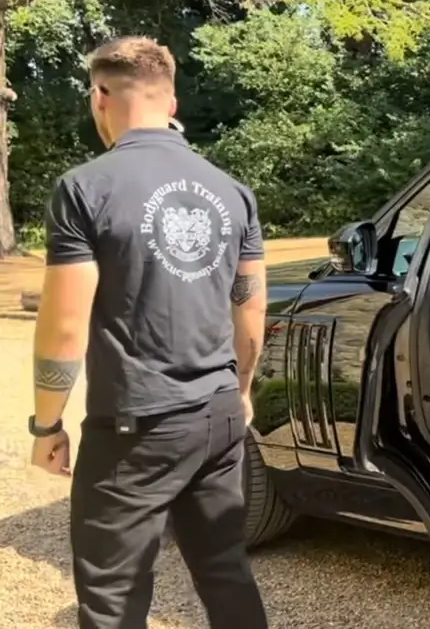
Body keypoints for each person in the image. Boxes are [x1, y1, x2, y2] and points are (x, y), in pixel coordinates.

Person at [27, 36, 269, 629]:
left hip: (137, 425)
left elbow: (63, 325)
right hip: (216, 415)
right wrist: (240, 391)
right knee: (224, 570)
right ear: (173, 101)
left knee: (113, 598)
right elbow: (251, 311)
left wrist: (47, 423)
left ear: (100, 97)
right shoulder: (233, 192)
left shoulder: (85, 188)